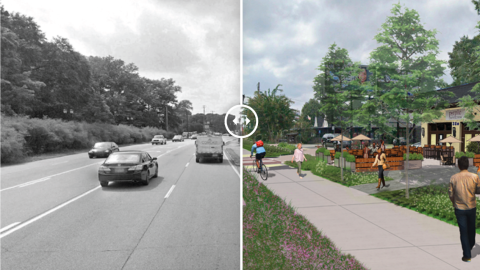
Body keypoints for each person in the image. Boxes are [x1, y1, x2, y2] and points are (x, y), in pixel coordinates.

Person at [448, 156, 480, 262]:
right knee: (471, 229)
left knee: (463, 231)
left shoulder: (453, 178)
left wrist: (454, 203)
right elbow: (478, 190)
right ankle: (469, 247)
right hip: (471, 206)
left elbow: (451, 194)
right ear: (468, 165)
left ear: (458, 166)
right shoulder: (475, 176)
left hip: (459, 208)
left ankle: (467, 255)